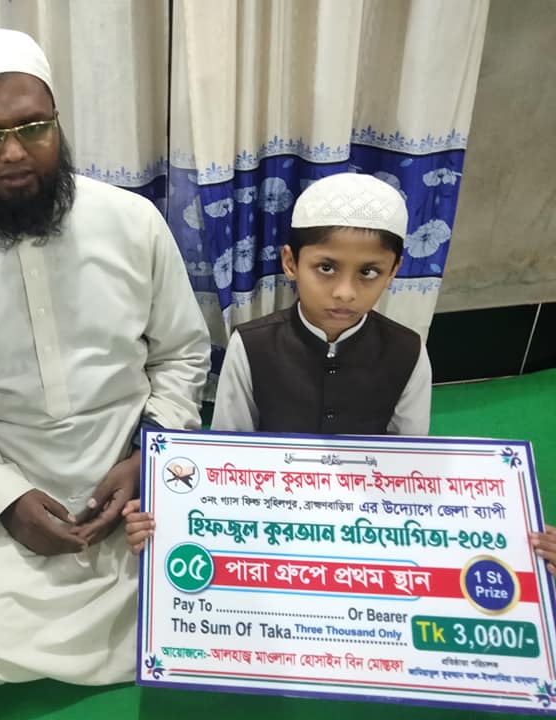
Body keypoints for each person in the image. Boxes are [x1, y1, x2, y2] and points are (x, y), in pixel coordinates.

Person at [0, 28, 210, 686]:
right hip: (10, 469)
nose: (14, 152)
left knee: (201, 606)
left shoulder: (132, 222)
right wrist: (4, 501)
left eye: (33, 127)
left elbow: (181, 354)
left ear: (58, 123)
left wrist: (148, 456)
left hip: (129, 467)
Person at [125, 172, 432, 553]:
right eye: (326, 268)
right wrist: (168, 514)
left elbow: (411, 467)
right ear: (291, 262)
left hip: (366, 531)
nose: (345, 292)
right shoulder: (252, 345)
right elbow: (227, 458)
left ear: (393, 271)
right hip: (268, 529)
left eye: (369, 272)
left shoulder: (408, 351)